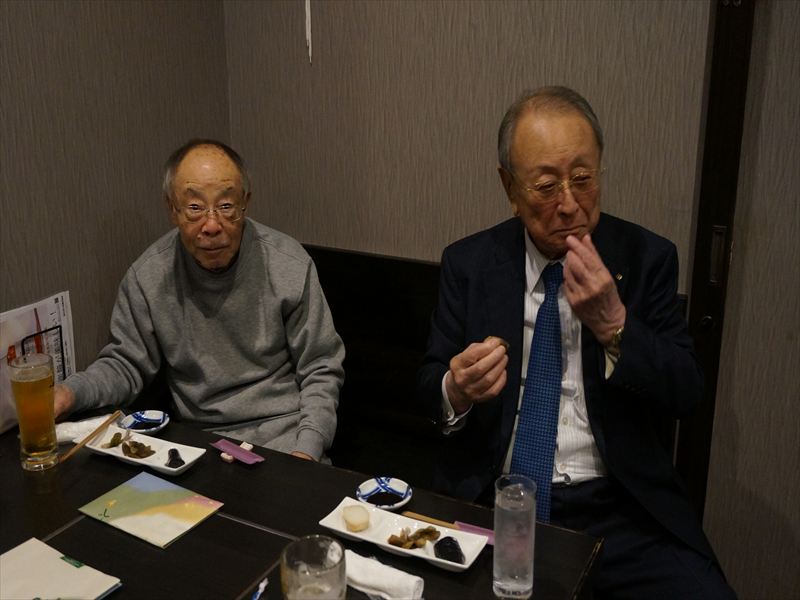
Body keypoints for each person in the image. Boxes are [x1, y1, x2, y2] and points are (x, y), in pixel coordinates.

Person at [417, 87, 734, 597]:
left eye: (583, 179)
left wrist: (615, 326)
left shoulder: (646, 258)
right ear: (509, 187)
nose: (569, 204)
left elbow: (687, 392)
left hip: (620, 509)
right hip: (498, 501)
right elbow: (431, 382)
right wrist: (457, 389)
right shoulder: (470, 264)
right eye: (546, 186)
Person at [54, 139, 345, 461]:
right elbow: (125, 364)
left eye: (226, 206)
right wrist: (69, 394)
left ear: (245, 204)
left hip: (285, 440)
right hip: (197, 446)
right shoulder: (148, 275)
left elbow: (321, 367)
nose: (211, 225)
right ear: (173, 210)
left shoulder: (288, 263)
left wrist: (306, 451)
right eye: (195, 208)